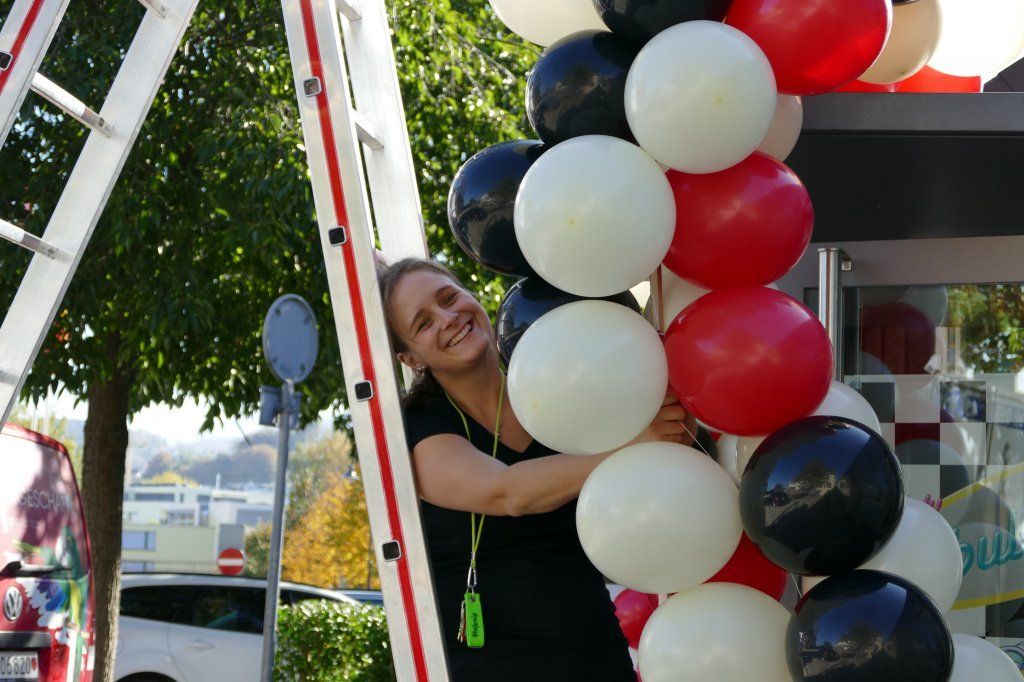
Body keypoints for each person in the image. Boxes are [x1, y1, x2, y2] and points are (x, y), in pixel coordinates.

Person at [379, 257, 696, 681]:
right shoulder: (418, 429)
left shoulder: (554, 389)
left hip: (595, 655)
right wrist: (632, 445)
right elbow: (506, 492)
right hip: (491, 670)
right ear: (410, 357)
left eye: (449, 297)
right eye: (423, 323)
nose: (448, 318)